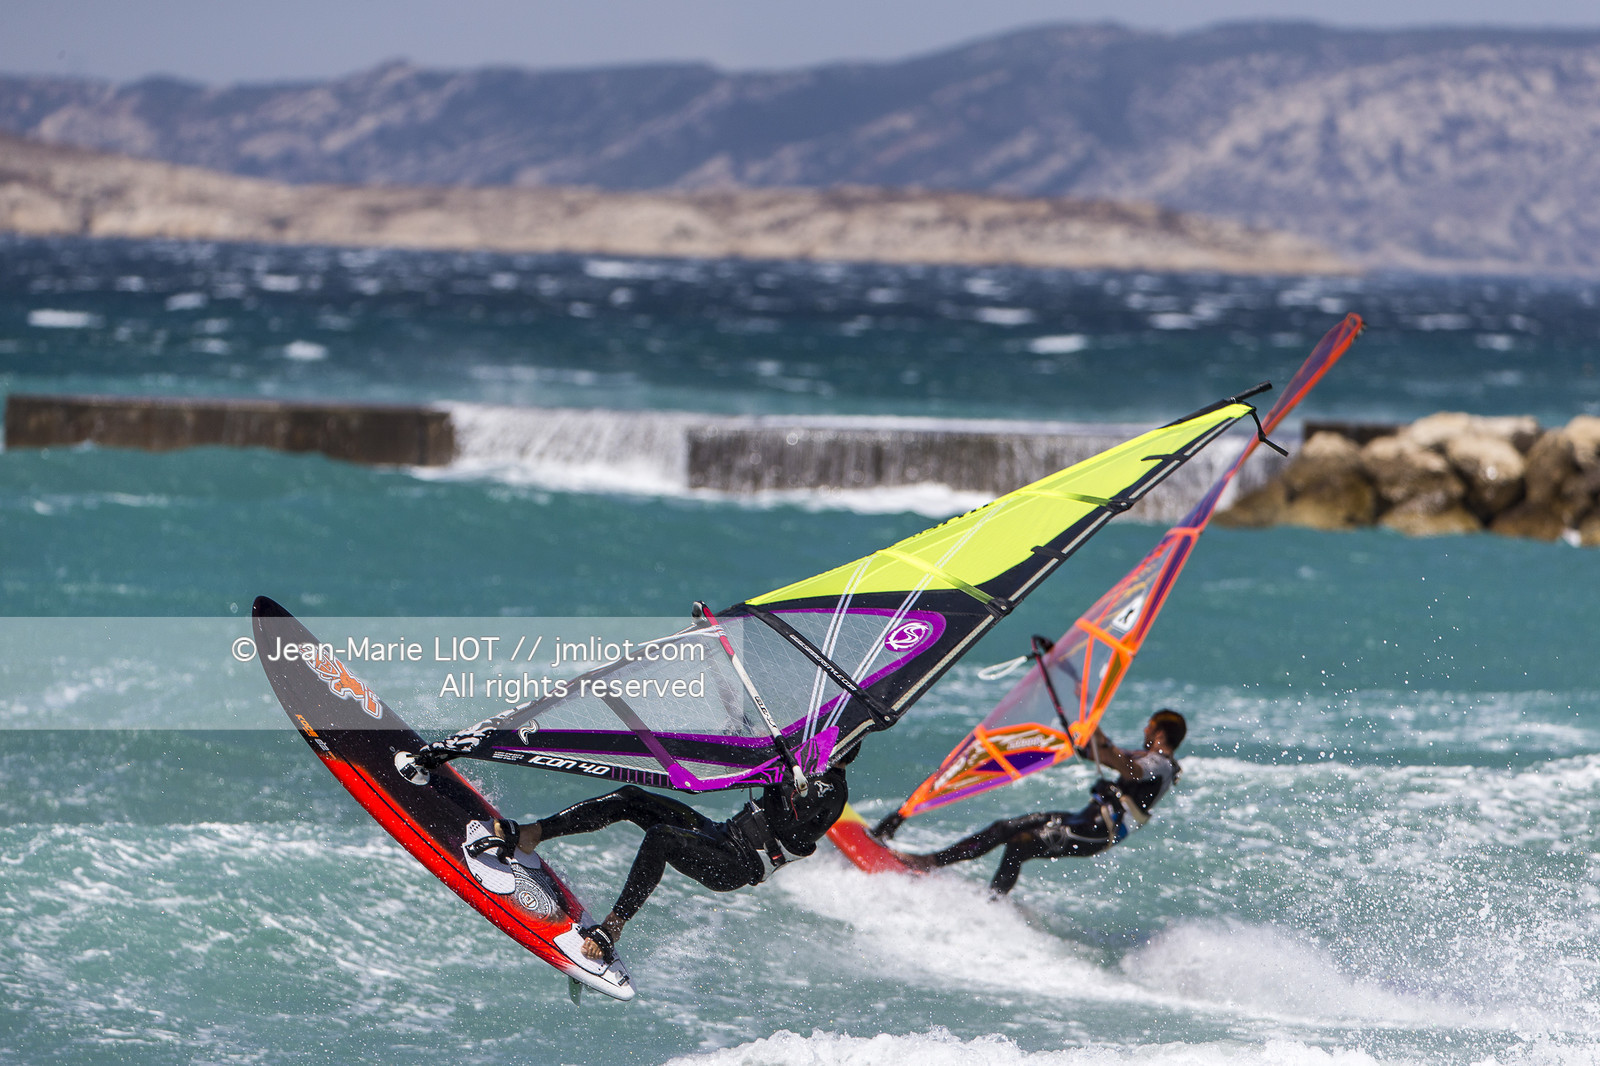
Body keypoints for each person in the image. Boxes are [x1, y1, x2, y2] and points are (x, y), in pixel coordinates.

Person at [480, 745, 856, 962]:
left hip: (737, 864)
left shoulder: (829, 790)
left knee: (661, 837)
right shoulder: (810, 772)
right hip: (722, 835)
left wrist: (784, 765)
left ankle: (613, 927)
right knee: (633, 799)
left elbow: (783, 815)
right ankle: (534, 833)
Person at [883, 710, 1185, 895]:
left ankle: (993, 903)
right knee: (1006, 827)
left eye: (1148, 726)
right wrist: (1088, 726)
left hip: (1097, 831)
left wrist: (1100, 739)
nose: (1144, 730)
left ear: (1158, 731)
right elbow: (1101, 753)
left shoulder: (1160, 765)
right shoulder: (1150, 758)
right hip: (1085, 821)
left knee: (1019, 844)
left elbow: (1127, 767)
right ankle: (931, 862)